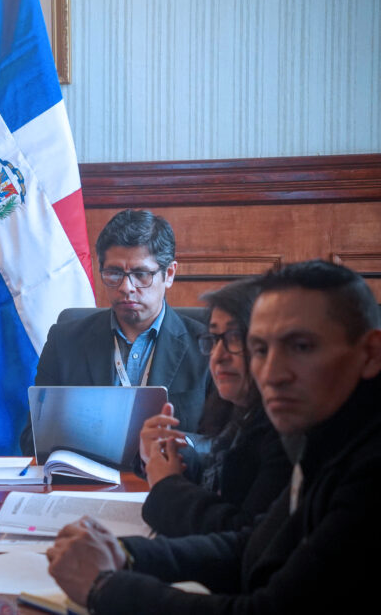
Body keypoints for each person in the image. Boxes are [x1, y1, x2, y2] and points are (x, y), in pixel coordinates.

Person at [46, 260, 381, 613]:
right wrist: (124, 553)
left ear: (371, 353)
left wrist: (104, 587)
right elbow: (253, 548)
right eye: (260, 349)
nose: (271, 373)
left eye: (301, 346)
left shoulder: (370, 468)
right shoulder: (327, 437)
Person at [20, 209, 210, 454]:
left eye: (141, 274)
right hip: (87, 475)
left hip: (171, 473)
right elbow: (32, 440)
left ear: (169, 274)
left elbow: (226, 445)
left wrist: (179, 444)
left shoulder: (207, 347)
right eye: (114, 273)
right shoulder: (64, 342)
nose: (126, 287)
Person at [139, 278, 289, 536]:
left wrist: (167, 484)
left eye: (234, 337)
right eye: (214, 339)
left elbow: (241, 535)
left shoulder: (283, 433)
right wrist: (168, 455)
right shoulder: (238, 410)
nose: (218, 356)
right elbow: (224, 478)